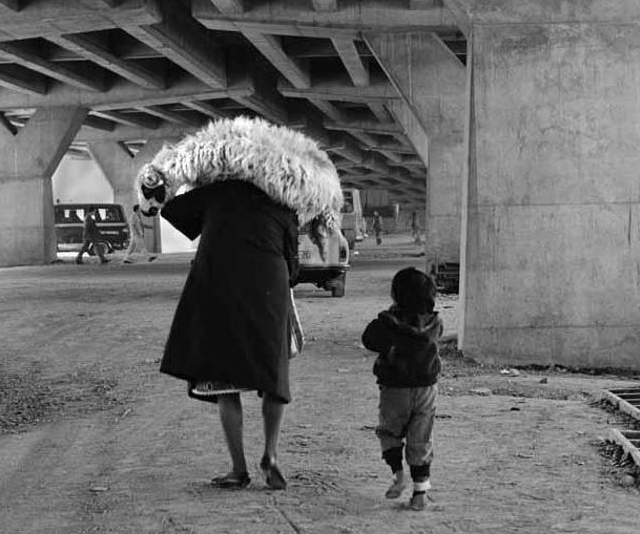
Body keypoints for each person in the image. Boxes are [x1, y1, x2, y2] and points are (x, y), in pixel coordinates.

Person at [137, 116, 342, 492]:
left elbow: (171, 210)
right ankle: (272, 455)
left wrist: (165, 188)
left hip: (218, 286)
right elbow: (293, 265)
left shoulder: (215, 194)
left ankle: (238, 468)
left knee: (224, 381)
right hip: (268, 288)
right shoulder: (283, 206)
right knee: (273, 376)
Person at [362, 267, 443, 510]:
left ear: (396, 295)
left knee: (390, 433)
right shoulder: (435, 323)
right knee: (421, 438)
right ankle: (420, 492)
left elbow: (369, 339)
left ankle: (398, 475)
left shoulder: (388, 323)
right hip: (426, 390)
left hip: (395, 389)